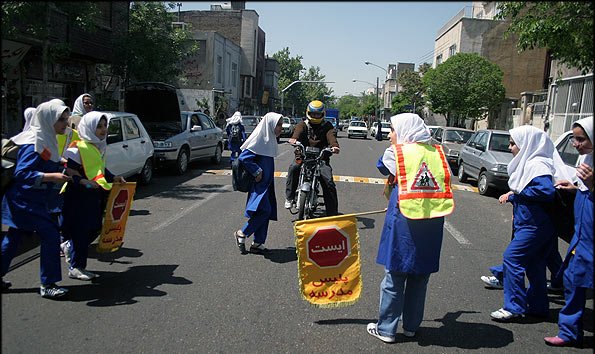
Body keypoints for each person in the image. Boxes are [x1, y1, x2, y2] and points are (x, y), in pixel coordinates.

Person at [367, 113, 454, 343]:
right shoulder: (438, 153)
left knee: (395, 275)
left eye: (393, 130)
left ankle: (386, 329)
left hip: (404, 218)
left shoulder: (398, 153)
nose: (389, 135)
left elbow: (381, 167)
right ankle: (411, 327)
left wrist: (397, 147)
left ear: (404, 131)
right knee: (419, 276)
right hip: (433, 220)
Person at [1, 101, 72, 298]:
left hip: (28, 199)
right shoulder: (34, 142)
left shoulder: (44, 139)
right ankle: (48, 284)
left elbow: (47, 163)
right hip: (24, 201)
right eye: (61, 120)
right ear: (48, 120)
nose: (65, 124)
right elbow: (23, 174)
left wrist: (62, 170)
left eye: (66, 119)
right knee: (50, 234)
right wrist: (53, 177)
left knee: (14, 237)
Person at [490, 125, 557, 322]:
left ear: (526, 144)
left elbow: (546, 192)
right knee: (535, 266)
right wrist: (515, 196)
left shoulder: (537, 165)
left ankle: (514, 306)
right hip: (529, 222)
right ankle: (537, 307)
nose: (510, 148)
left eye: (513, 144)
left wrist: (518, 193)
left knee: (512, 258)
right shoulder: (530, 162)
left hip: (535, 225)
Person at [544, 117, 593, 347]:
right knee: (573, 281)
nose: (575, 144)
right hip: (582, 238)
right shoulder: (586, 159)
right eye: (574, 138)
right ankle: (569, 332)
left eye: (581, 139)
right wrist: (575, 189)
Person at [60, 111, 125, 280]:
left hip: (93, 197)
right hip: (78, 198)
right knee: (81, 232)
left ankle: (70, 248)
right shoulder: (77, 148)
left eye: (105, 126)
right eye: (99, 126)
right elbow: (69, 170)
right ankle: (76, 266)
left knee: (94, 229)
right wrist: (82, 182)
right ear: (89, 127)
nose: (103, 130)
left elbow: (99, 170)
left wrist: (113, 177)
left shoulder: (97, 146)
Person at [233, 112, 283, 255]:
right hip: (259, 185)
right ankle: (242, 233)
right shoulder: (260, 139)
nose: (280, 127)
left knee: (265, 211)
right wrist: (257, 171)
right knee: (265, 210)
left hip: (266, 184)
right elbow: (244, 158)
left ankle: (258, 242)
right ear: (270, 125)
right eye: (278, 124)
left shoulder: (269, 139)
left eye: (280, 124)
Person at [285, 100, 340, 216]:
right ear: (308, 113)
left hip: (321, 158)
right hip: (303, 156)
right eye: (313, 114)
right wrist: (294, 139)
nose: (315, 116)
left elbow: (331, 137)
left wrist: (334, 146)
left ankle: (332, 212)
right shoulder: (302, 124)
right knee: (294, 168)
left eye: (318, 114)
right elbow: (297, 133)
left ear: (322, 114)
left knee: (328, 180)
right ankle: (289, 198)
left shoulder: (327, 126)